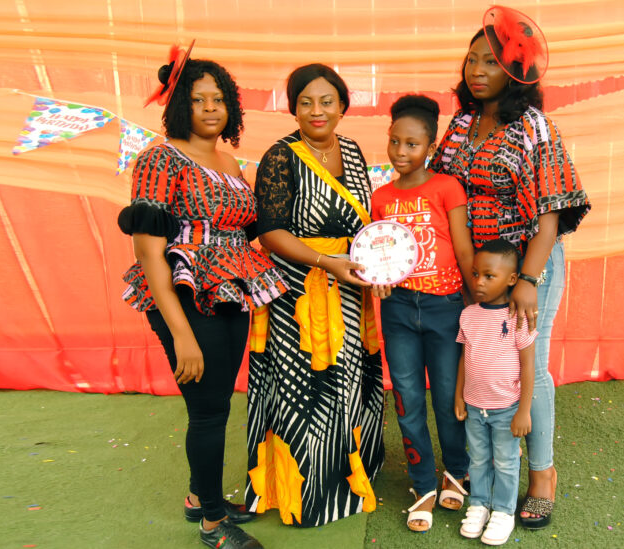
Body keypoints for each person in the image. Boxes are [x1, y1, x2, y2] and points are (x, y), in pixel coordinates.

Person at [118, 50, 288, 549]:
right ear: (179, 106)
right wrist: (182, 334)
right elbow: (149, 254)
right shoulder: (160, 158)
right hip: (186, 294)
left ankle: (200, 497)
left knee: (217, 402)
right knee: (209, 411)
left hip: (232, 289)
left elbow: (249, 229)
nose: (211, 108)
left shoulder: (229, 161)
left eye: (218, 99)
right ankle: (213, 524)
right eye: (198, 100)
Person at [430, 5, 590, 529]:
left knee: (528, 366)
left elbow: (550, 212)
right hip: (478, 269)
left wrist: (527, 279)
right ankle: (482, 469)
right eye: (471, 59)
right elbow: (439, 187)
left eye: (490, 62)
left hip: (527, 264)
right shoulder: (461, 124)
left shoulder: (533, 126)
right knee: (482, 359)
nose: (476, 70)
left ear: (515, 71)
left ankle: (542, 476)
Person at [245, 63, 384, 528]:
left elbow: (364, 223)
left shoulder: (353, 150)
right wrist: (327, 262)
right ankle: (307, 494)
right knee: (304, 390)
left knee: (349, 381)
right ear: (294, 109)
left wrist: (378, 266)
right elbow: (270, 232)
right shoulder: (280, 157)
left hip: (349, 289)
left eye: (326, 101)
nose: (316, 111)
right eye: (305, 102)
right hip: (296, 297)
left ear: (343, 106)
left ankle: (351, 477)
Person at [370, 95, 472, 532]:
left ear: (430, 146)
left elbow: (463, 248)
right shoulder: (381, 196)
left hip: (444, 308)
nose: (400, 151)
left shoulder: (447, 188)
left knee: (449, 398)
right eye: (394, 141)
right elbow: (376, 252)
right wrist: (377, 279)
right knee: (407, 399)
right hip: (397, 309)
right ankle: (422, 484)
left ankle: (457, 471)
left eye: (411, 144)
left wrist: (476, 303)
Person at [454, 240, 536, 545]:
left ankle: (503, 512)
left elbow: (528, 366)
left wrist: (523, 411)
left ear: (512, 279)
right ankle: (479, 505)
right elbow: (465, 357)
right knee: (477, 460)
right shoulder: (468, 314)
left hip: (506, 408)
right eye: (476, 274)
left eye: (489, 276)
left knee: (505, 461)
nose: (479, 282)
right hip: (475, 408)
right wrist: (459, 396)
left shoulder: (518, 316)